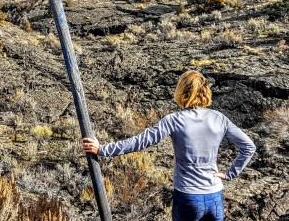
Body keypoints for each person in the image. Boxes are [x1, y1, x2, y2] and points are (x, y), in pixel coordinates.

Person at [82, 70, 256, 221]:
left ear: (182, 91)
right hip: (214, 196)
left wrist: (102, 149)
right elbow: (249, 147)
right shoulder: (219, 118)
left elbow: (140, 141)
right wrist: (230, 174)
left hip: (188, 197)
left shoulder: (174, 120)